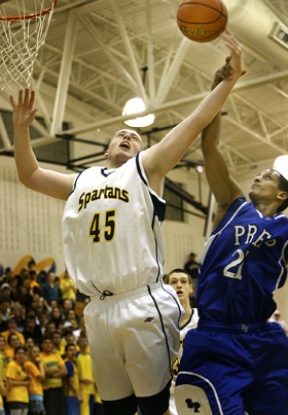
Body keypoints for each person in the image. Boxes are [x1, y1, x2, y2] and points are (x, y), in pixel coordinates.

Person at [10, 31, 243, 415]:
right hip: (98, 309)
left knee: (154, 407)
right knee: (115, 409)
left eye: (134, 138)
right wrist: (21, 129)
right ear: (106, 149)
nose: (127, 137)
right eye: (121, 134)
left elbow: (195, 120)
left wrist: (226, 83)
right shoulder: (80, 180)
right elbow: (30, 175)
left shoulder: (146, 168)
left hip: (141, 301)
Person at [175, 55, 288, 414]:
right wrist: (221, 88)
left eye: (269, 176)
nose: (259, 175)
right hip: (215, 335)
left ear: (284, 195)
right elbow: (210, 148)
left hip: (264, 336)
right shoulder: (231, 205)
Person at [167, 269, 199, 415]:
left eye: (183, 281)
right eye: (173, 282)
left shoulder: (203, 319)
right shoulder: (159, 323)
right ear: (165, 290)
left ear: (190, 288)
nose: (179, 285)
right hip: (169, 395)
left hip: (197, 389)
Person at [40, 336, 67, 415]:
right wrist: (58, 369)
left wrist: (52, 375)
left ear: (52, 345)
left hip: (60, 389)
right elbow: (45, 371)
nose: (48, 345)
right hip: (48, 390)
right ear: (42, 345)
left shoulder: (57, 356)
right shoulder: (40, 356)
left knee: (61, 412)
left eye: (49, 343)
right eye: (45, 343)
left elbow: (65, 371)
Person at [5, 346, 30, 415]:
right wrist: (24, 383)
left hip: (24, 397)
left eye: (23, 353)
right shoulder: (12, 365)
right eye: (19, 353)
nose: (21, 355)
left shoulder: (23, 366)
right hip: (15, 397)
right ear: (15, 355)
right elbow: (10, 382)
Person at [24, 344, 46, 415]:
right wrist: (40, 364)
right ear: (30, 353)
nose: (36, 354)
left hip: (37, 393)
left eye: (38, 352)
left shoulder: (33, 364)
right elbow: (42, 377)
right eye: (34, 352)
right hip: (34, 393)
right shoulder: (29, 364)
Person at [63, 343, 82, 415]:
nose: (73, 352)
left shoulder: (73, 363)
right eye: (70, 350)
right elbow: (70, 381)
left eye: (74, 350)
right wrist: (78, 394)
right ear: (66, 352)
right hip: (70, 394)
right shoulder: (68, 363)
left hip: (73, 394)